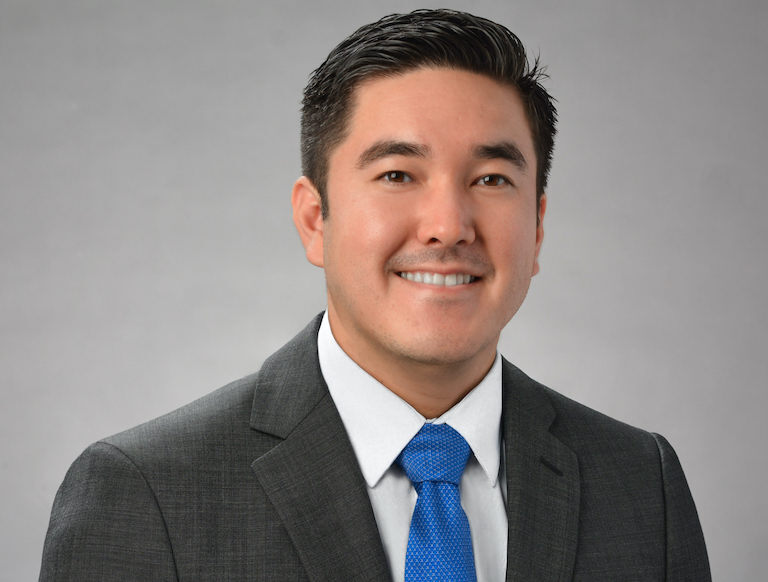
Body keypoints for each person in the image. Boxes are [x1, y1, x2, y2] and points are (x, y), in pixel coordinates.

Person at [39, 9, 710, 581]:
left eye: (491, 179)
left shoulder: (639, 481)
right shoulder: (147, 491)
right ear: (315, 220)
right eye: (397, 174)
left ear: (536, 227)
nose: (448, 226)